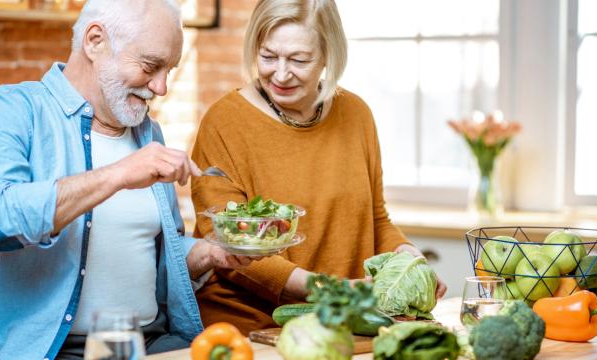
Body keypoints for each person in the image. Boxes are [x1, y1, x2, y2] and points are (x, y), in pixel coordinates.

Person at [0, 0, 249, 360]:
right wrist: (119, 174)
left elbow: (152, 251)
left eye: (169, 71)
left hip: (152, 345)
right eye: (150, 66)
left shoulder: (147, 133)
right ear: (95, 41)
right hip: (49, 358)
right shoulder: (15, 108)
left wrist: (207, 254)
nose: (161, 87)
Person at [190, 0, 447, 336]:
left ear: (328, 54)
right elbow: (228, 244)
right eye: (268, 56)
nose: (280, 74)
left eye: (299, 59)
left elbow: (375, 219)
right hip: (253, 328)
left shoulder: (356, 115)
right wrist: (329, 289)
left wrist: (408, 258)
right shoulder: (224, 122)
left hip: (343, 322)